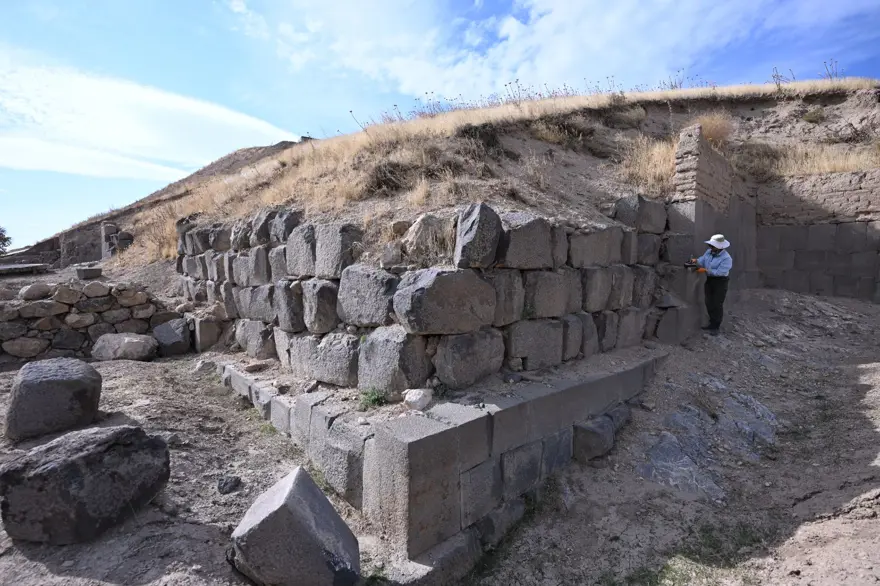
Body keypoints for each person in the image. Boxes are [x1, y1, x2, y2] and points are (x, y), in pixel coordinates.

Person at [693, 234, 733, 335]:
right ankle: (711, 323)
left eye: (713, 246)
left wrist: (705, 270)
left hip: (720, 281)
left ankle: (716, 326)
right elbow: (702, 260)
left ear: (720, 247)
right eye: (710, 245)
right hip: (710, 280)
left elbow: (719, 272)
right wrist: (696, 261)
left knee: (717, 303)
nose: (710, 247)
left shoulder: (727, 259)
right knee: (708, 301)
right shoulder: (709, 252)